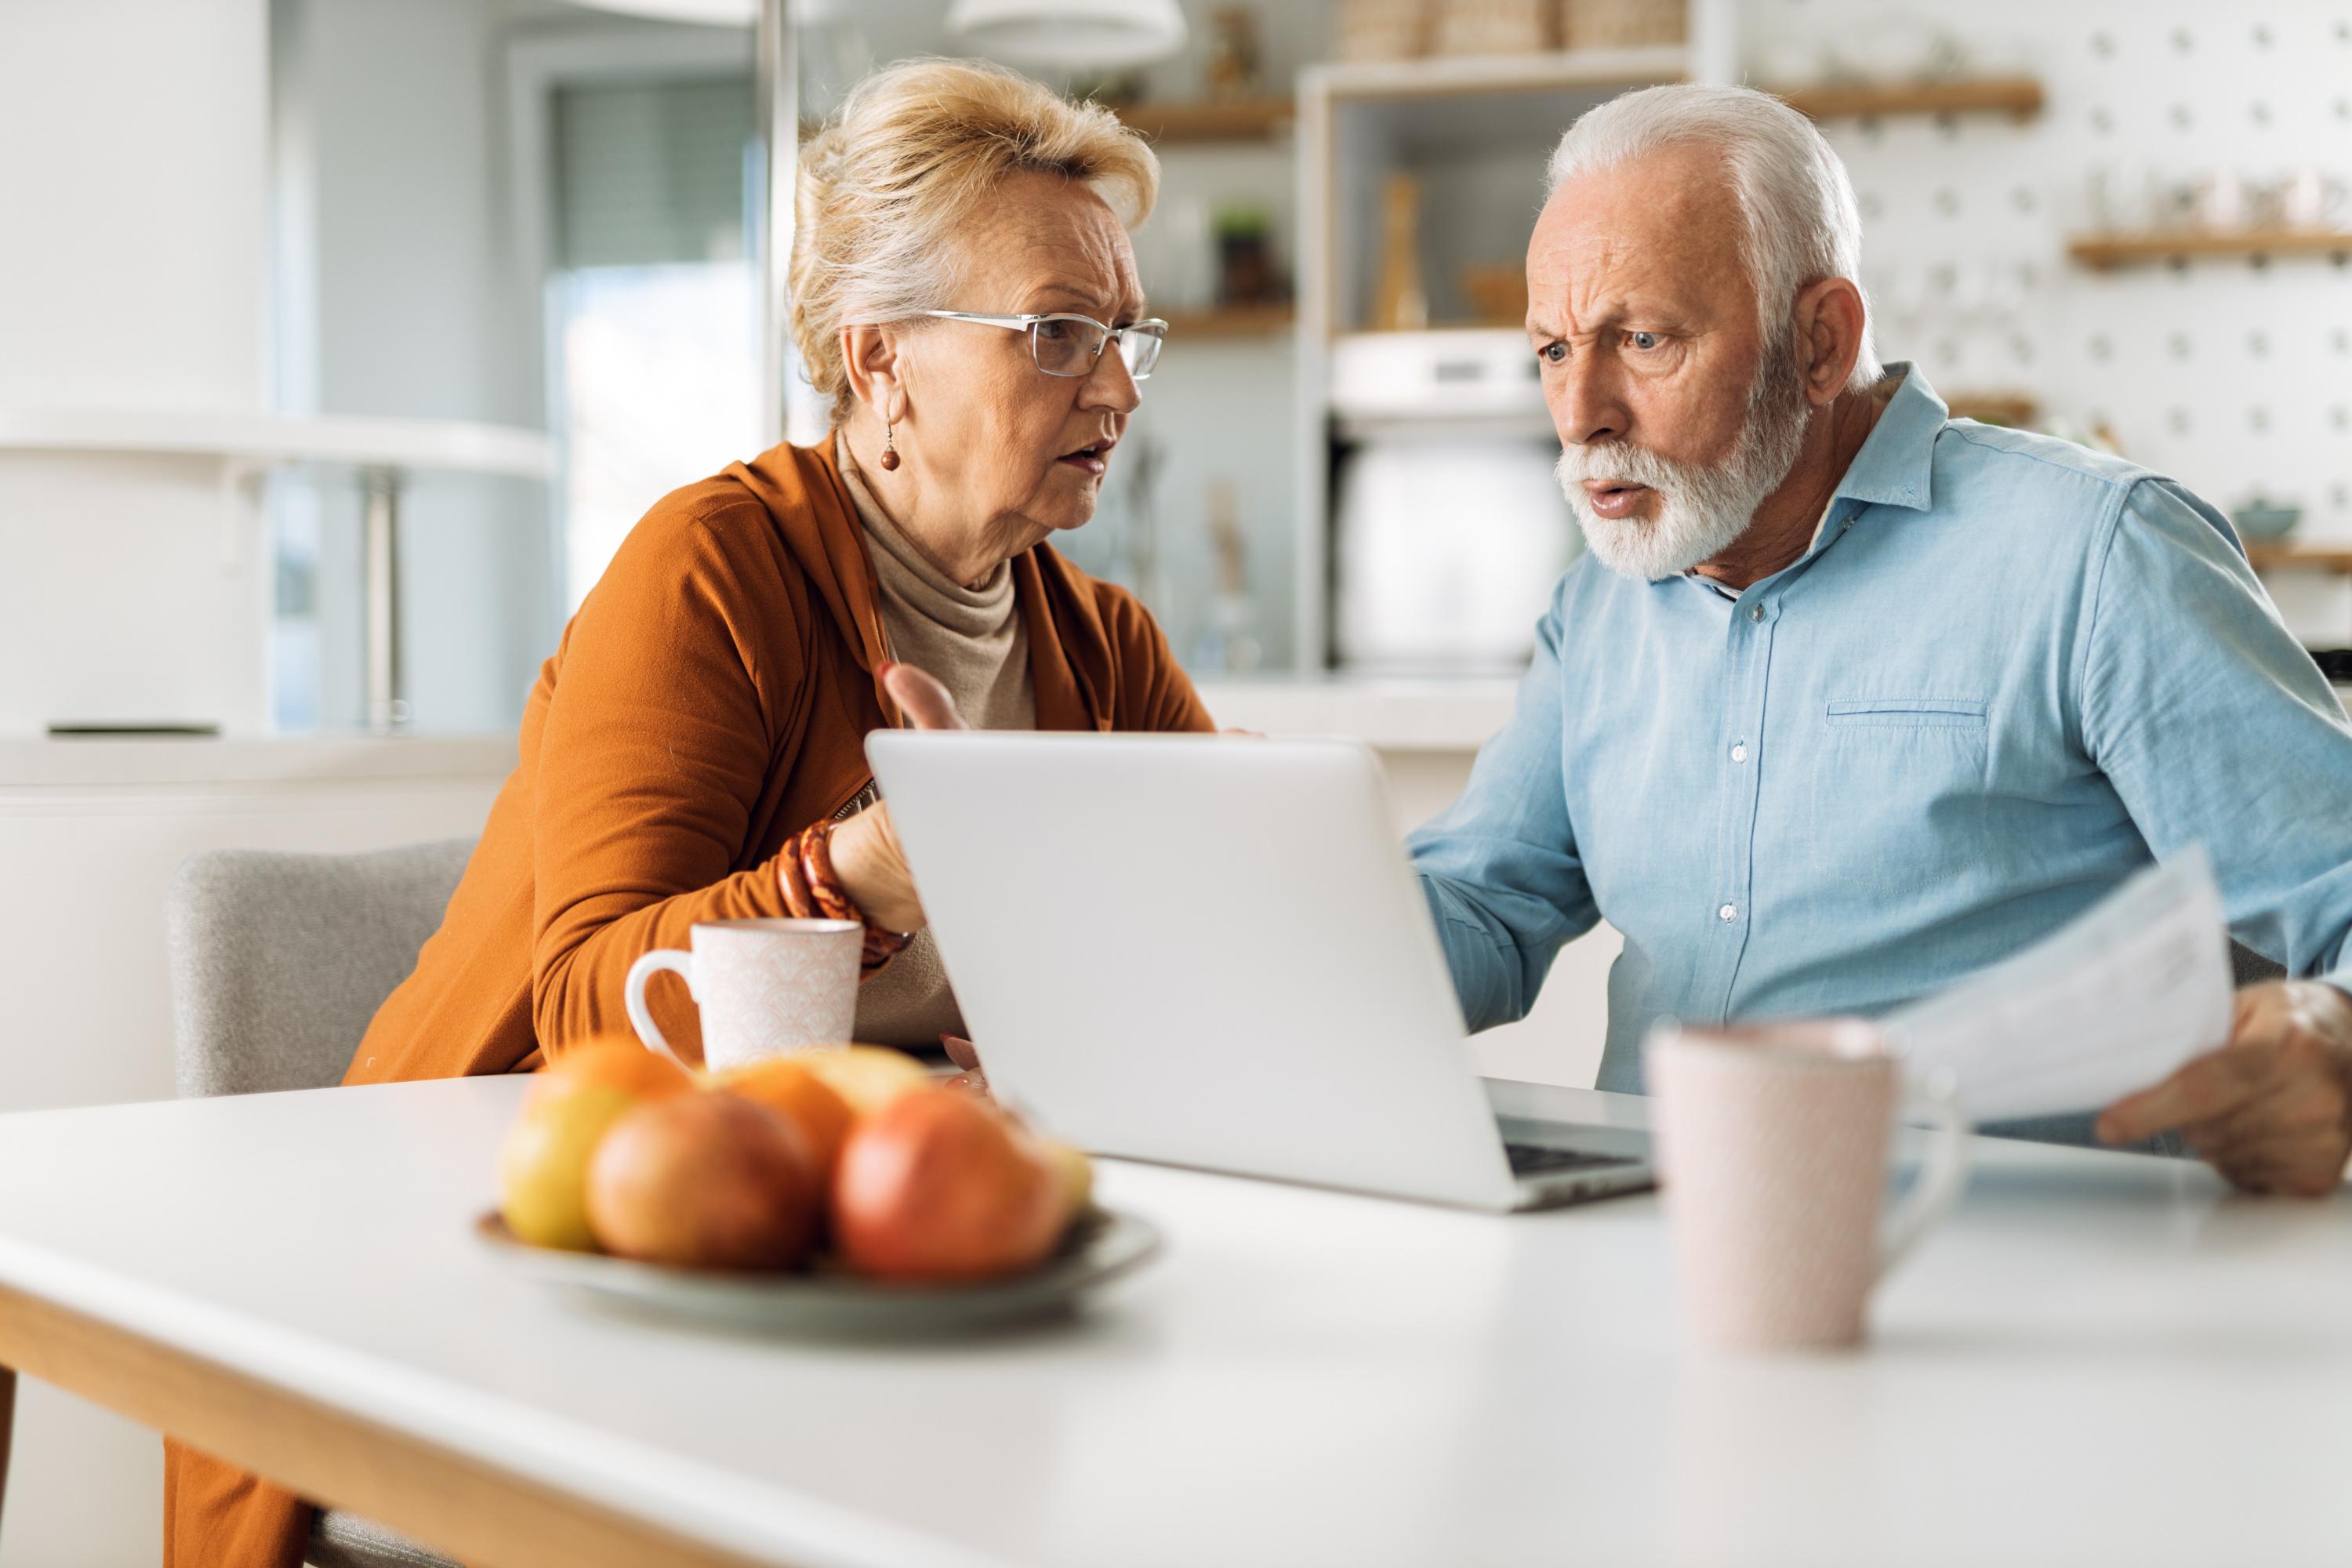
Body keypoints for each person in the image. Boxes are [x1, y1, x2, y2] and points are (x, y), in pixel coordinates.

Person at [165, 57, 1212, 1568]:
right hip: (536, 1248)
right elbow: (586, 1000)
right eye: (1057, 334)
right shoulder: (711, 571)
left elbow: (1182, 989)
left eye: (1123, 336)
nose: (1114, 387)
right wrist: (865, 869)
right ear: (879, 363)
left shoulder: (1099, 644)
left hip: (861, 1274)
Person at [1410, 83, 2352, 1197]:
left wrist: (2330, 1038)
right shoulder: (1599, 608)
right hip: (1648, 1251)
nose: (1582, 416)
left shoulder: (2098, 554)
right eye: (1556, 352)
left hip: (2031, 1289)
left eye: (1645, 338)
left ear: (1821, 342)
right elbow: (1485, 904)